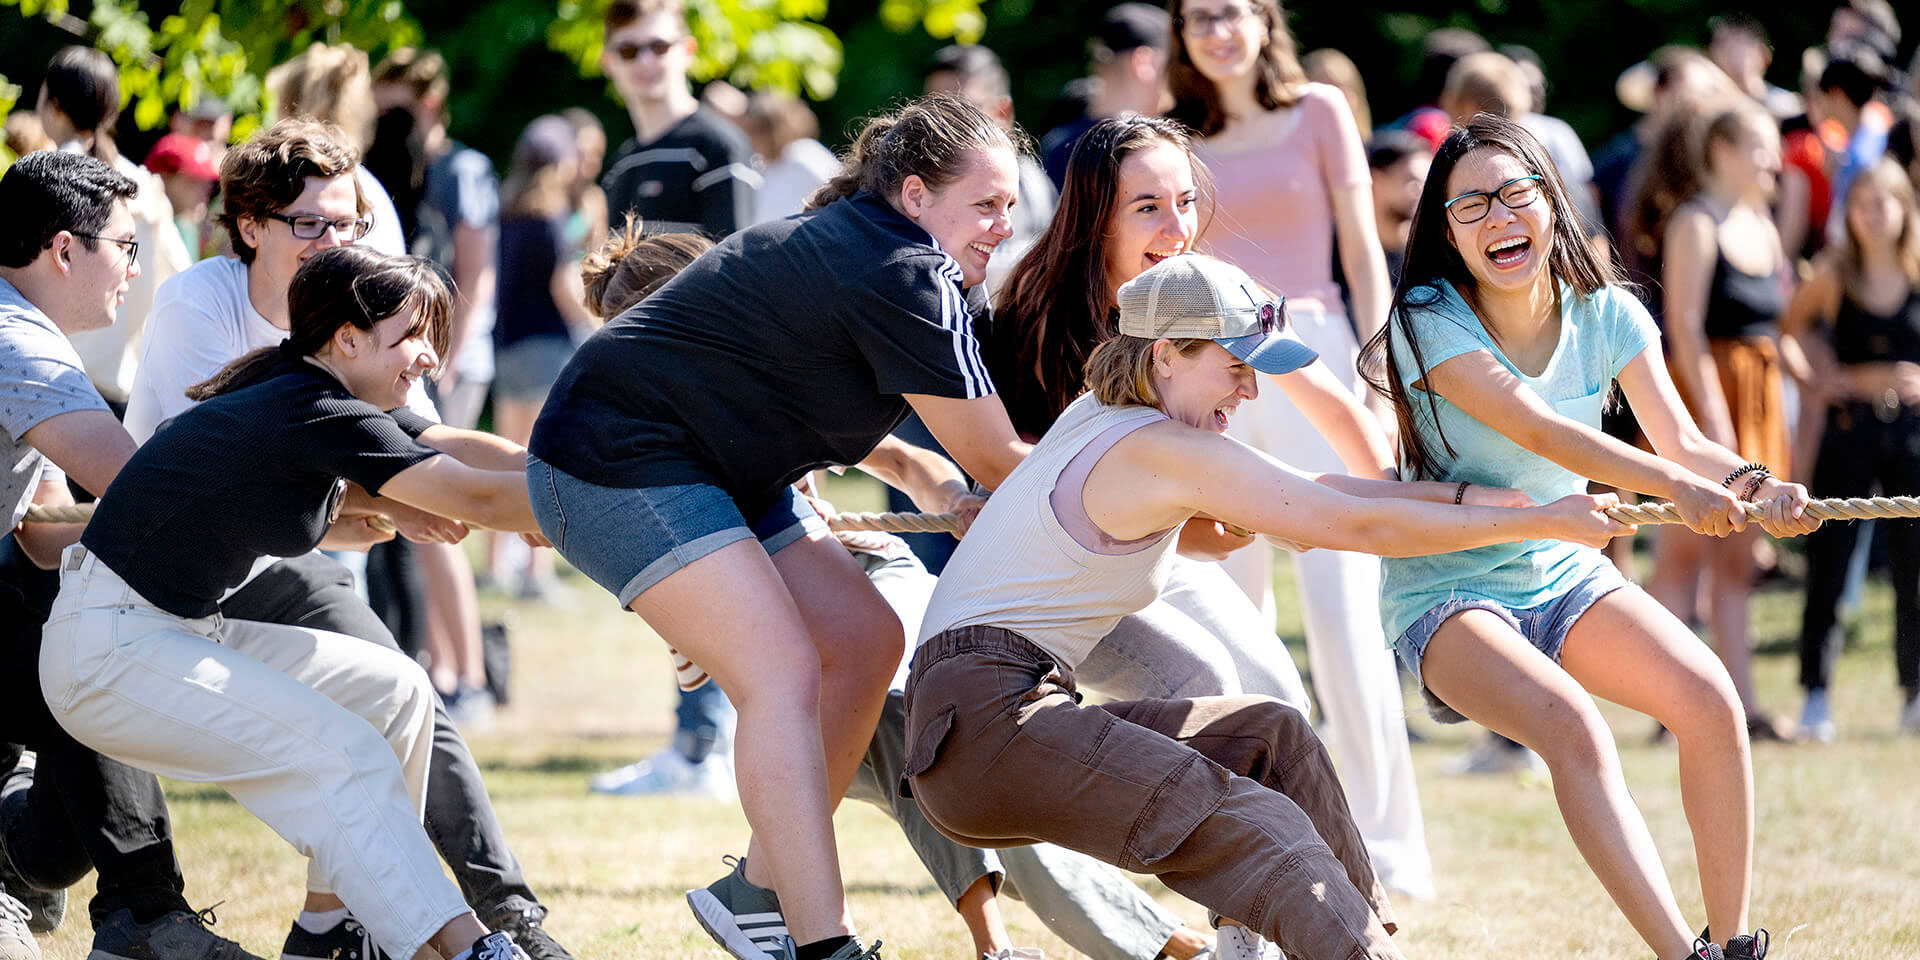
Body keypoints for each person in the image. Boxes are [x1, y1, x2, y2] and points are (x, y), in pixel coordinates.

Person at [907, 251, 1634, 960]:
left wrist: (1477, 500)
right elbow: (1352, 526)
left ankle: (1359, 943)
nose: (1250, 392)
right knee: (1259, 826)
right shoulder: (1162, 448)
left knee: (1270, 740)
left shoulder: (1105, 416)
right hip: (984, 725)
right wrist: (1537, 521)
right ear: (1164, 355)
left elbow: (1320, 492)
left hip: (988, 717)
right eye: (1235, 366)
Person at [577, 221, 1213, 960]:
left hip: (872, 589)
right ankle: (1062, 941)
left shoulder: (773, 387)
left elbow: (908, 463)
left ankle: (1043, 940)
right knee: (937, 755)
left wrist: (960, 497)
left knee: (944, 739)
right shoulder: (644, 442)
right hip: (808, 643)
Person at [529, 93, 1031, 960]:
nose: (1001, 226)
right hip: (618, 457)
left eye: (1011, 207)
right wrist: (1167, 488)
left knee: (867, 640)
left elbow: (954, 461)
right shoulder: (897, 268)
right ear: (914, 195)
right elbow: (1002, 462)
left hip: (724, 474)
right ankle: (823, 943)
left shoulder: (890, 261)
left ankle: (757, 893)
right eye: (985, 205)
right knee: (784, 671)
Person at [1359, 114, 1819, 960]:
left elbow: (1680, 442)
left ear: (1549, 199)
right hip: (1447, 587)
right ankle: (1683, 957)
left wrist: (1754, 485)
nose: (1499, 217)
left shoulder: (1604, 311)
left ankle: (1733, 943)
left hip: (1564, 569)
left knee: (1711, 701)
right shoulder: (1429, 314)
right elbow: (1537, 429)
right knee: (1573, 728)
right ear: (1446, 229)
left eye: (1514, 194)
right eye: (1470, 207)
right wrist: (1677, 488)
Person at [127, 118, 574, 960]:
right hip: (183, 568)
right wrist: (509, 504)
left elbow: (429, 443)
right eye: (311, 224)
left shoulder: (356, 307)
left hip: (287, 555)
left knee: (407, 695)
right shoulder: (201, 304)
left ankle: (495, 915)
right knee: (335, 745)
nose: (334, 240)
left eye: (348, 222)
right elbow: (230, 484)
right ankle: (157, 911)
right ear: (252, 225)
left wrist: (542, 469)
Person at [986, 115, 1438, 908]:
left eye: (1186, 201)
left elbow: (1336, 415)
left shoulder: (1217, 291)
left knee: (1276, 704)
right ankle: (1270, 904)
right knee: (1211, 686)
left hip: (1164, 560)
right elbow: (1035, 478)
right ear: (1096, 214)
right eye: (1147, 208)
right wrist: (1198, 527)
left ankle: (1301, 912)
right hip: (1068, 575)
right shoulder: (1035, 309)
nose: (1178, 227)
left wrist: (1401, 501)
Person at [42, 244, 541, 960]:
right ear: (347, 339)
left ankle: (328, 929)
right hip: (108, 652)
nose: (430, 356)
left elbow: (468, 457)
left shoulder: (317, 390)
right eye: (411, 337)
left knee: (396, 690)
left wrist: (560, 477)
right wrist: (586, 509)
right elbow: (477, 496)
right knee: (342, 753)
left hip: (165, 633)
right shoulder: (311, 406)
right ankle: (472, 949)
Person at [1168, 0, 1432, 901]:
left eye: (1233, 10)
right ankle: (1265, 831)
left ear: (1263, 20)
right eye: (1200, 15)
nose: (1219, 29)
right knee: (1231, 618)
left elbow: (1365, 258)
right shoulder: (1179, 137)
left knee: (1346, 619)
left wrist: (1371, 377)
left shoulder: (1319, 110)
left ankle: (1385, 841)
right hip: (1216, 373)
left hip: (1318, 354)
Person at [0, 149, 263, 960]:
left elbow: (43, 533)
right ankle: (145, 918)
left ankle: (119, 904)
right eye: (126, 245)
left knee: (52, 832)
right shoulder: (19, 344)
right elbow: (140, 483)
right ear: (64, 249)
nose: (134, 269)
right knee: (94, 666)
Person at [1638, 101, 1793, 739]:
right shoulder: (1694, 223)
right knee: (1681, 557)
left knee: (1738, 564)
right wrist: (1715, 428)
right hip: (1707, 407)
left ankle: (1745, 707)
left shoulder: (1763, 223)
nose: (1774, 160)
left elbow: (1775, 329)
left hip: (1762, 397)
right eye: (1760, 146)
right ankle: (1664, 705)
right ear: (1723, 149)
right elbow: (1685, 331)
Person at [1781, 158, 1920, 740]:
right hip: (1849, 429)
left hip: (1910, 433)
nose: (1873, 214)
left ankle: (1914, 693)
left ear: (1904, 209)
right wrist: (1817, 382)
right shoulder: (1835, 273)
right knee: (1830, 562)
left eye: (1884, 202)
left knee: (1914, 569)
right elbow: (1785, 330)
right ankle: (1817, 694)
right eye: (1862, 204)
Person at [36, 46, 192, 415]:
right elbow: (179, 281)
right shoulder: (143, 187)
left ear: (53, 105)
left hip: (52, 384)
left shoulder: (46, 183)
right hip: (125, 395)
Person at [486, 115, 599, 601]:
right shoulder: (552, 217)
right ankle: (537, 573)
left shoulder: (507, 212)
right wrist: (597, 330)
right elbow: (562, 284)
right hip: (548, 346)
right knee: (543, 464)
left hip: (507, 345)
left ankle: (494, 566)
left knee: (506, 457)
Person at [599, 0, 758, 236]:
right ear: (608, 63)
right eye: (628, 51)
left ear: (688, 50)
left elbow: (736, 263)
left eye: (659, 46)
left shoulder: (718, 147)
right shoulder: (620, 166)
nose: (645, 61)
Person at [922, 44, 1059, 289]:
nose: (944, 128)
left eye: (965, 112)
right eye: (934, 112)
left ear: (1002, 112)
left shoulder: (1035, 189)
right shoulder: (910, 186)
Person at [1038, 2, 1172, 188]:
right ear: (1143, 62)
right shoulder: (1155, 148)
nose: (1181, 75)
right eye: (1175, 63)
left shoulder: (1057, 147)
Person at [740, 93, 840, 225]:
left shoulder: (803, 155)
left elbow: (841, 190)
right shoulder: (758, 166)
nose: (750, 138)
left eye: (756, 132)